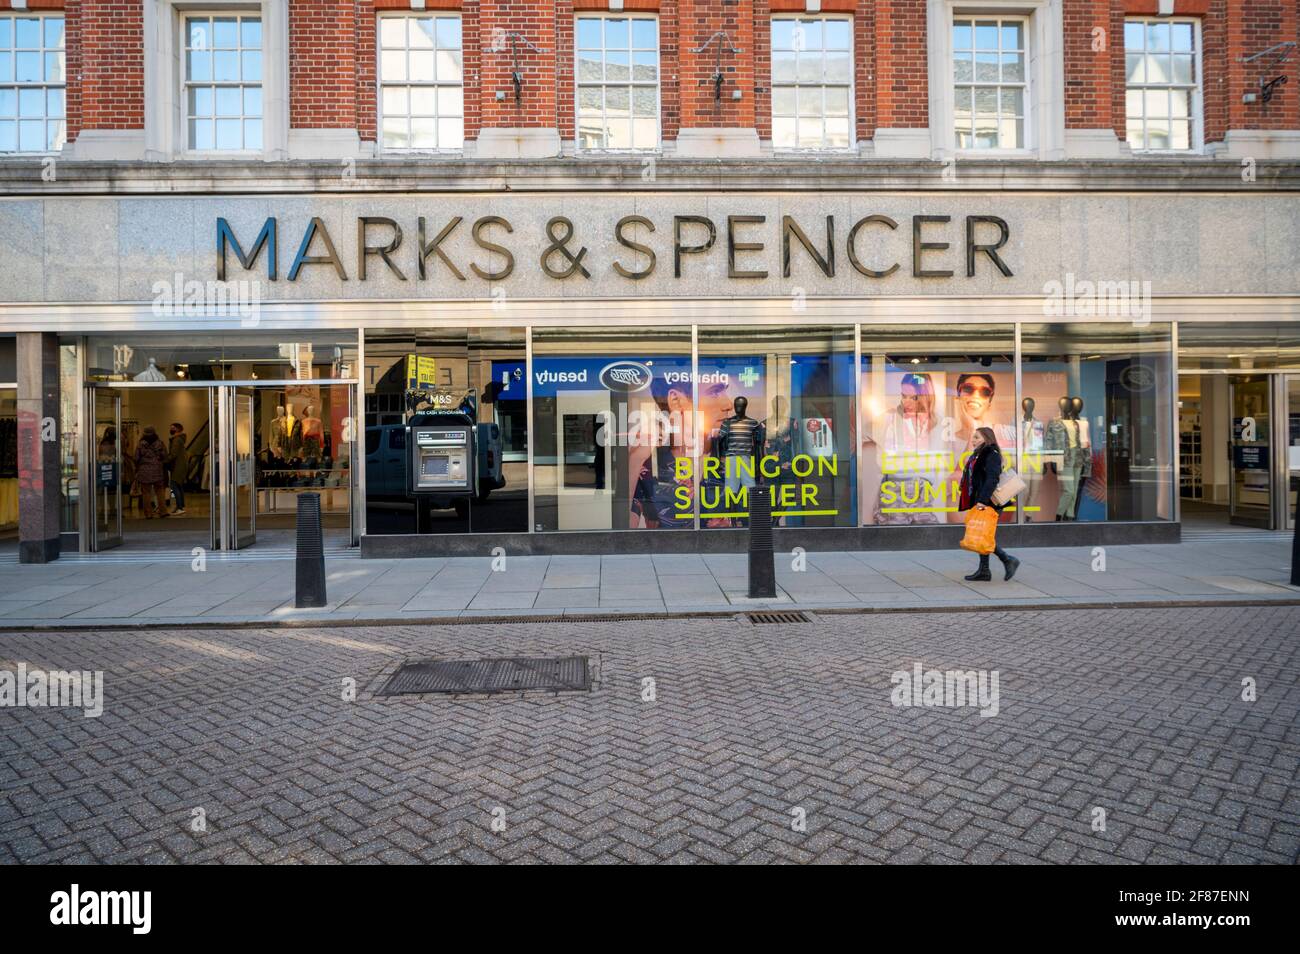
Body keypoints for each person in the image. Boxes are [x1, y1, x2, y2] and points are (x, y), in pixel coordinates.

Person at [957, 426, 1020, 582]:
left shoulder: (991, 454)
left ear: (987, 439)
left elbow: (992, 479)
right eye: (973, 437)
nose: (973, 440)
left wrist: (982, 501)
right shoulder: (978, 455)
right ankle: (984, 570)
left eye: (977, 437)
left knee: (984, 535)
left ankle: (1008, 560)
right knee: (982, 534)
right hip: (981, 500)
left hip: (989, 502)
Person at [134, 425, 169, 519]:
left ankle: (148, 514)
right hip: (157, 470)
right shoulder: (160, 443)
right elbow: (165, 457)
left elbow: (136, 458)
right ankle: (163, 512)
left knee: (146, 493)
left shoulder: (140, 444)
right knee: (160, 492)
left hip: (144, 472)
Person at [165, 421, 188, 515]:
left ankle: (179, 507)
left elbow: (173, 454)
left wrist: (165, 461)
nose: (171, 429)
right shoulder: (179, 439)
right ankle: (180, 506)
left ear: (178, 429)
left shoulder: (177, 440)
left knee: (174, 486)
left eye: (173, 427)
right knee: (178, 486)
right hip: (180, 465)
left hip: (178, 466)